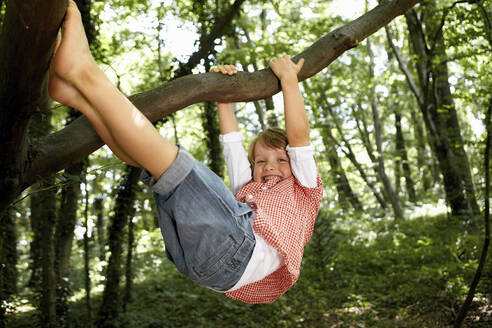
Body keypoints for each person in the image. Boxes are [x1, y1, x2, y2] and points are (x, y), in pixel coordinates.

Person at [49, 1, 322, 304]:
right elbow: (231, 142)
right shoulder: (248, 190)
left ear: (295, 164)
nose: (270, 166)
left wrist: (289, 79)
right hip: (210, 265)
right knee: (152, 162)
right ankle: (78, 97)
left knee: (173, 164)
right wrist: (224, 95)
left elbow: (299, 136)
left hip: (237, 253)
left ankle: (84, 72)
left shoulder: (304, 188)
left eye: (281, 159)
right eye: (260, 160)